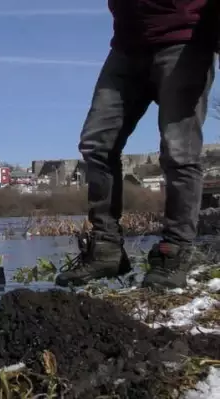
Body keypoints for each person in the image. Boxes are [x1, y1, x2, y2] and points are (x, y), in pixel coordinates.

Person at [55, 0, 218, 289]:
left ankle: (174, 253)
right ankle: (106, 250)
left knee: (179, 151)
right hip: (127, 47)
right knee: (96, 145)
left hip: (185, 41)